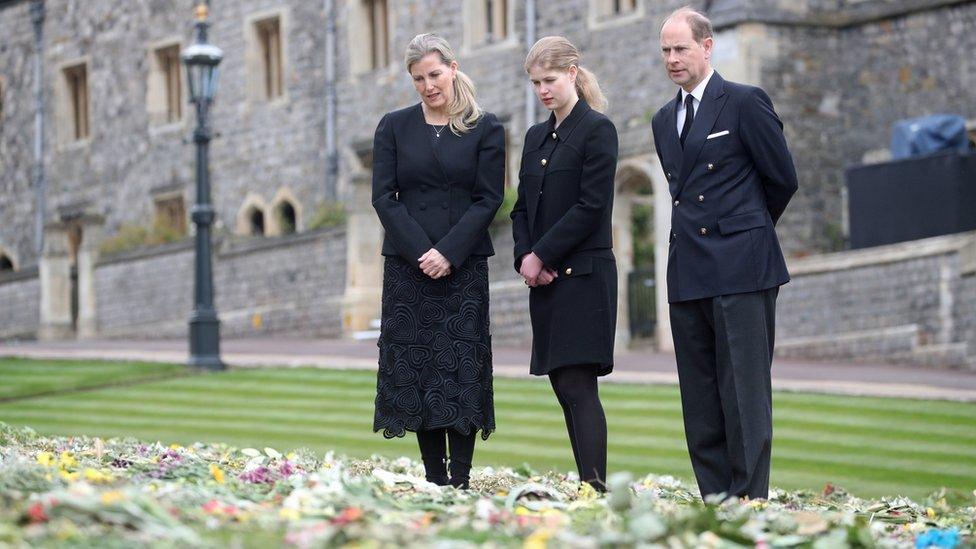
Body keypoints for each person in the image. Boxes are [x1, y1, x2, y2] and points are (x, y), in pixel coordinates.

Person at [650, 7, 798, 499]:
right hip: (688, 270)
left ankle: (750, 505)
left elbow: (781, 179)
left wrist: (744, 234)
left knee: (744, 398)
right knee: (700, 400)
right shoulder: (661, 119)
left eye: (681, 49)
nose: (673, 59)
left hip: (741, 270)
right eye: (666, 50)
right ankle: (716, 502)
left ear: (706, 47)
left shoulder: (743, 102)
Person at [371, 33, 505, 489]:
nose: (428, 85)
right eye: (418, 79)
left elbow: (489, 198)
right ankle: (433, 478)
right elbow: (384, 198)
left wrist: (447, 251)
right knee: (419, 368)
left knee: (459, 366)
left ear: (452, 67)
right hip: (408, 270)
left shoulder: (485, 127)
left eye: (434, 74)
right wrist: (421, 252)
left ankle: (462, 479)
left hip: (462, 267)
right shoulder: (392, 126)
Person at [511, 36, 618, 491]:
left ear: (572, 74)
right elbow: (520, 209)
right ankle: (588, 487)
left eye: (550, 80)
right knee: (562, 385)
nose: (543, 91)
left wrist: (542, 255)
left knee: (578, 385)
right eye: (536, 83)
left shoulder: (597, 130)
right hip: (546, 280)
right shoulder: (537, 135)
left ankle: (594, 489)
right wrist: (524, 257)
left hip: (585, 276)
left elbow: (591, 206)